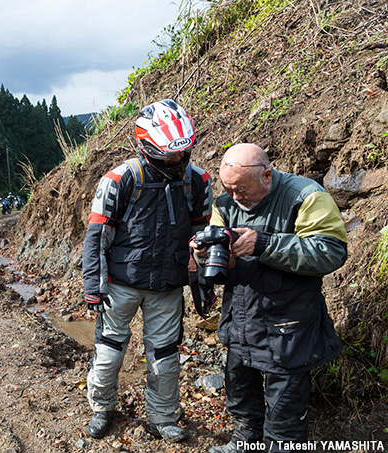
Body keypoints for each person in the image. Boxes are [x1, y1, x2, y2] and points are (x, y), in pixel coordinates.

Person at [190, 144, 347, 453]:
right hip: (242, 318)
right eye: (228, 189)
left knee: (284, 412)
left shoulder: (306, 196)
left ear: (266, 175)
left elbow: (330, 252)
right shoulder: (227, 202)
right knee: (240, 392)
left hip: (290, 325)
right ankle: (245, 442)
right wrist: (208, 254)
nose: (235, 197)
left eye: (241, 189)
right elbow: (218, 242)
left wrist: (264, 244)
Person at [82, 99, 213, 442]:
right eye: (168, 154)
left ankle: (163, 417)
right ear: (145, 145)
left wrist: (204, 282)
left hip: (168, 285)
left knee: (166, 356)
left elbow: (203, 234)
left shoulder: (198, 180)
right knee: (109, 351)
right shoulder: (120, 179)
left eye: (182, 153)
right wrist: (94, 286)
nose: (176, 160)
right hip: (120, 284)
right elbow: (97, 235)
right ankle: (101, 407)